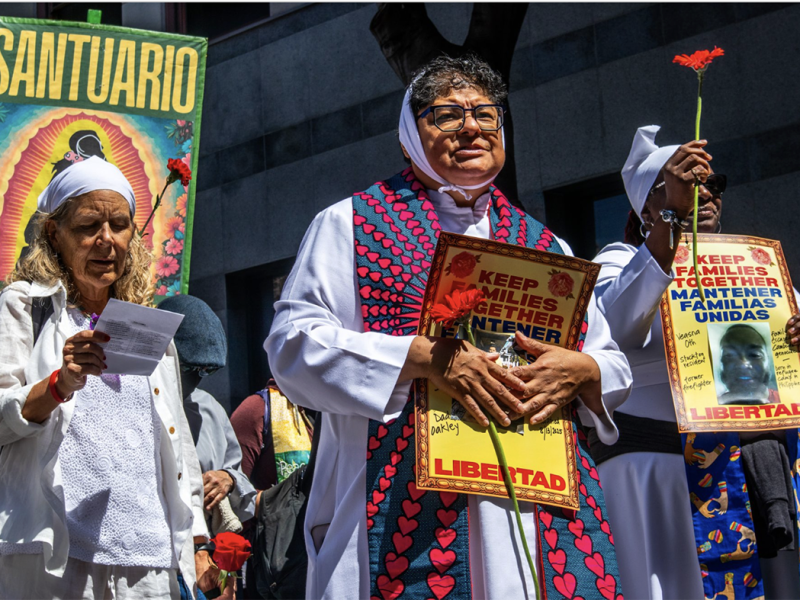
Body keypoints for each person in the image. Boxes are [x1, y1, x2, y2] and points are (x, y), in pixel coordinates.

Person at [265, 54, 632, 599]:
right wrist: (416, 358)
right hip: (397, 507)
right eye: (446, 115)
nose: (471, 127)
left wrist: (582, 369)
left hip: (530, 509)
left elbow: (612, 360)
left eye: (486, 114)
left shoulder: (545, 244)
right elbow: (292, 346)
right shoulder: (348, 224)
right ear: (410, 135)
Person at [590, 125, 800, 599]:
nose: (702, 192)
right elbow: (613, 327)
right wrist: (669, 232)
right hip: (658, 475)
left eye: (712, 183)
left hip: (745, 472)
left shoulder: (754, 264)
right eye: (685, 182)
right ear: (646, 205)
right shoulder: (619, 260)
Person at [0, 156, 209, 600]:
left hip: (148, 563)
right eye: (88, 226)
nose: (106, 240)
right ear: (54, 234)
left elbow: (177, 447)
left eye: (119, 224)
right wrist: (57, 384)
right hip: (57, 559)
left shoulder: (150, 329)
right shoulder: (25, 309)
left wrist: (198, 544)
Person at [716, 324, 777, 405]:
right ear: (721, 365)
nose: (743, 364)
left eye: (754, 355)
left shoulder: (792, 399)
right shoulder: (705, 408)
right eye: (729, 356)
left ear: (768, 363)